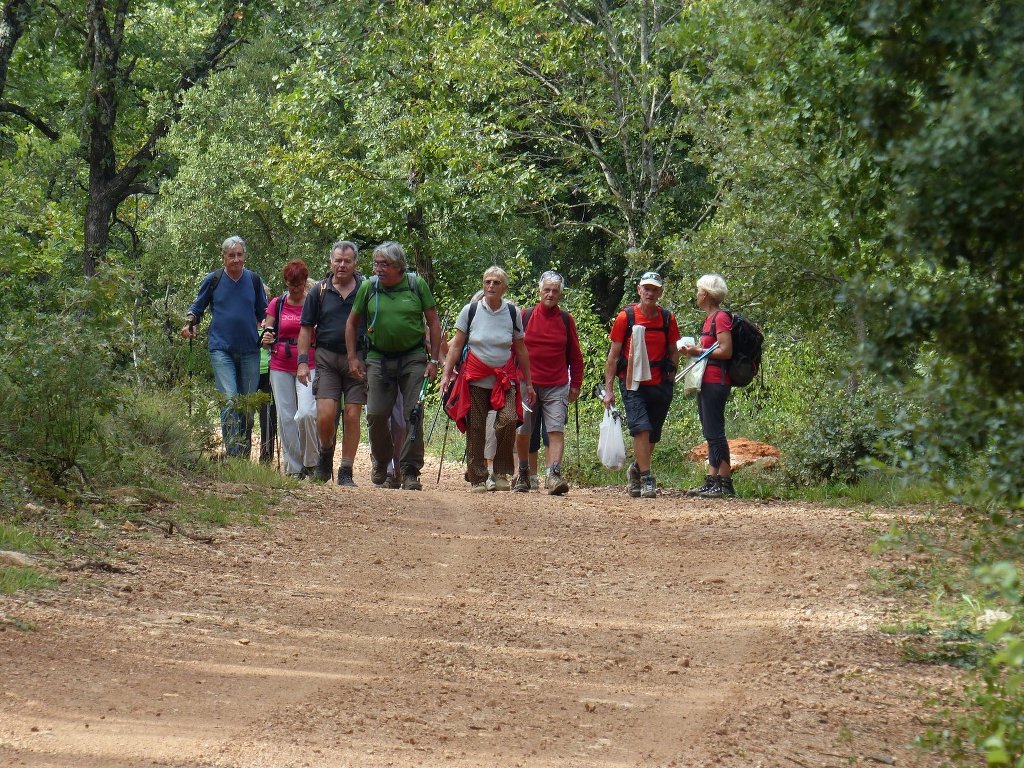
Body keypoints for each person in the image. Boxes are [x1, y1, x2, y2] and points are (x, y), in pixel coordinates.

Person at [346, 241, 442, 491]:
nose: (378, 268)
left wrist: (433, 360)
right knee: (376, 413)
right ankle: (382, 461)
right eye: (376, 263)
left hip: (412, 357)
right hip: (378, 357)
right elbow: (351, 323)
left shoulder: (415, 285)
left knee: (413, 413)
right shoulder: (368, 287)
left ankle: (410, 471)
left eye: (384, 264)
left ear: (399, 266)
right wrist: (353, 358)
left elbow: (433, 321)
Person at [440, 267, 536, 492]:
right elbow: (457, 347)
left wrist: (529, 383)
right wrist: (446, 374)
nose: (491, 286)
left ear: (504, 287)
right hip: (474, 378)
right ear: (483, 285)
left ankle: (501, 473)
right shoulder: (470, 310)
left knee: (509, 419)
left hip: (504, 379)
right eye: (487, 282)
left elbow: (521, 350)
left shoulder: (512, 313)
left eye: (496, 282)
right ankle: (478, 478)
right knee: (476, 427)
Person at [181, 235, 268, 459]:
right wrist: (190, 323)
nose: (236, 259)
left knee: (248, 406)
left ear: (244, 256)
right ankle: (233, 456)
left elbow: (264, 314)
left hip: (250, 350)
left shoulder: (254, 280)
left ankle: (244, 454)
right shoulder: (214, 280)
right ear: (224, 257)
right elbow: (196, 308)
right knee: (230, 400)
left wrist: (271, 331)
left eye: (240, 255)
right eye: (231, 256)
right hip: (221, 349)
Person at [602, 271, 680, 498]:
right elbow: (613, 356)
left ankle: (635, 469)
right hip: (632, 384)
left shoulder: (667, 318)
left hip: (660, 383)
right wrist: (609, 390)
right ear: (639, 290)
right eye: (646, 288)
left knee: (653, 434)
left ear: (660, 293)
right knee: (641, 428)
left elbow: (673, 351)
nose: (650, 292)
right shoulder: (626, 317)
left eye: (655, 289)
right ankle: (647, 478)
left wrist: (671, 374)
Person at [296, 241, 366, 486]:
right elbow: (305, 329)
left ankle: (346, 469)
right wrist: (303, 362)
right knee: (325, 415)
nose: (342, 265)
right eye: (338, 260)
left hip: (358, 359)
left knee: (352, 414)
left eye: (347, 261)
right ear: (331, 262)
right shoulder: (320, 291)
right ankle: (326, 455)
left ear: (355, 263)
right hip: (326, 358)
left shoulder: (366, 289)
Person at [512, 271, 584, 495]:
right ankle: (523, 472)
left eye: (555, 290)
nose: (550, 294)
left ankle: (553, 475)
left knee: (555, 430)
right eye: (547, 290)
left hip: (557, 384)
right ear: (539, 291)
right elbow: (513, 349)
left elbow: (575, 355)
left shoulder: (565, 319)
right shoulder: (525, 315)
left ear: (560, 294)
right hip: (526, 383)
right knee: (523, 430)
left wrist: (576, 385)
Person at [679, 273, 736, 498]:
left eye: (698, 291)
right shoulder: (709, 318)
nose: (696, 294)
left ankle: (725, 482)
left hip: (716, 380)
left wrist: (696, 351)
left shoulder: (721, 317)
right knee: (709, 430)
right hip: (707, 380)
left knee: (715, 431)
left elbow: (725, 350)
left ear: (706, 294)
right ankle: (712, 480)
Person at [263, 260, 320, 478]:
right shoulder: (277, 304)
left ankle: (311, 461)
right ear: (285, 282)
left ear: (305, 282)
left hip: (308, 363)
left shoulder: (313, 303)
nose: (295, 289)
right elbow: (268, 331)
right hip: (280, 364)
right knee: (286, 417)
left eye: (299, 284)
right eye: (290, 284)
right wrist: (266, 337)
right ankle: (294, 467)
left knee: (305, 413)